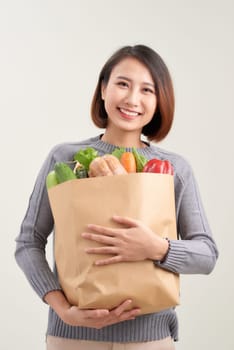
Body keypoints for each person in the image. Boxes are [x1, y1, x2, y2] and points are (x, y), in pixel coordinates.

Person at [15, 44, 219, 350]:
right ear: (102, 90)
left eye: (147, 90)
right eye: (123, 84)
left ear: (159, 100)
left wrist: (155, 247)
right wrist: (62, 309)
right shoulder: (64, 158)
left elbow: (207, 254)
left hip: (150, 340)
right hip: (72, 338)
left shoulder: (176, 168)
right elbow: (28, 242)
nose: (132, 99)